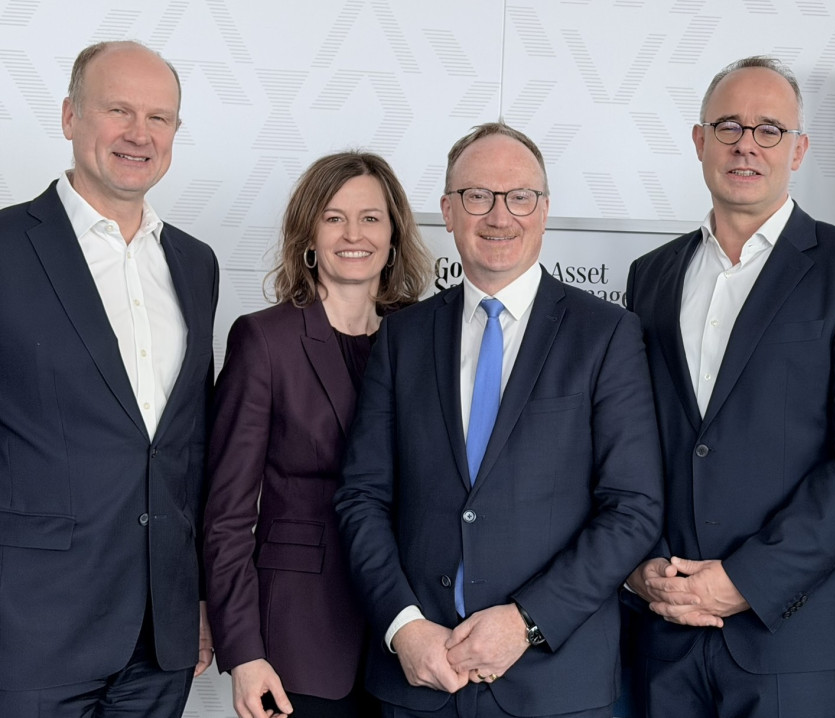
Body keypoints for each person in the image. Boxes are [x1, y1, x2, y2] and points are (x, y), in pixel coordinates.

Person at [334, 122, 663, 718]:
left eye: (520, 198)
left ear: (543, 210)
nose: (499, 216)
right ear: (448, 211)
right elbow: (362, 497)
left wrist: (526, 622)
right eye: (477, 196)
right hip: (419, 680)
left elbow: (633, 506)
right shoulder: (403, 337)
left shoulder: (606, 334)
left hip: (554, 683)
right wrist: (404, 626)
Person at [623, 55, 835, 717]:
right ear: (699, 142)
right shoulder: (651, 277)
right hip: (664, 626)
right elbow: (633, 441)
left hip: (793, 633)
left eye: (769, 129)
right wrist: (639, 572)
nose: (746, 144)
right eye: (728, 126)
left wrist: (745, 580)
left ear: (800, 149)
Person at [0, 41, 218, 716]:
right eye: (118, 110)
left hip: (161, 638)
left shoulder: (195, 263)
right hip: (29, 630)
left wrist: (203, 598)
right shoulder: (6, 248)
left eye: (159, 117)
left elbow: (189, 449)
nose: (139, 133)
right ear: (70, 116)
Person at [203, 152, 431, 718]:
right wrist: (245, 652)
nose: (353, 234)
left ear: (395, 234)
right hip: (297, 640)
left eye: (371, 218)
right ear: (309, 233)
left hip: (413, 631)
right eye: (333, 217)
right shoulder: (265, 340)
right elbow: (227, 513)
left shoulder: (425, 337)